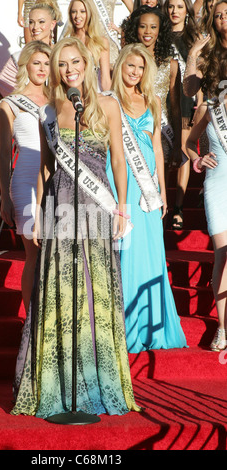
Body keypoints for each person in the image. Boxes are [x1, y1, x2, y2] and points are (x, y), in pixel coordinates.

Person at [11, 37, 141, 418]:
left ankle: (94, 379)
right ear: (56, 69)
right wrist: (37, 212)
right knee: (61, 291)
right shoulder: (49, 110)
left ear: (85, 63)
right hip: (59, 211)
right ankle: (59, 384)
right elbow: (46, 169)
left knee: (93, 290)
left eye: (74, 63)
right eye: (62, 64)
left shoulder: (107, 106)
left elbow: (120, 160)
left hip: (96, 211)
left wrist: (121, 207)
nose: (69, 70)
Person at [106, 43, 187, 353]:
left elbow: (156, 148)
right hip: (122, 182)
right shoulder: (110, 101)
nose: (135, 72)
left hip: (149, 189)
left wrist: (165, 191)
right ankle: (124, 326)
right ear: (120, 66)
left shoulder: (153, 100)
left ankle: (153, 326)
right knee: (126, 252)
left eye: (140, 68)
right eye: (130, 66)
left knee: (151, 254)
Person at [0, 41, 51, 317]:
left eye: (46, 63)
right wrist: (5, 196)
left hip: (55, 181)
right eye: (36, 63)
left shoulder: (59, 100)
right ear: (25, 66)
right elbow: (4, 155)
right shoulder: (9, 103)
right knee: (35, 253)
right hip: (26, 181)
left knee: (53, 254)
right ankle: (32, 321)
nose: (42, 68)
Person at [186, 63, 227, 351]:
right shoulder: (209, 108)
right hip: (216, 185)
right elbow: (189, 143)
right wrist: (198, 161)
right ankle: (223, 329)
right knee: (222, 255)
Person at [122, 6, 182, 174]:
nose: (148, 31)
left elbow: (175, 107)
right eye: (143, 26)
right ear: (136, 29)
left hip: (162, 134)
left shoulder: (171, 65)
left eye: (153, 27)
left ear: (160, 31)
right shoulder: (125, 62)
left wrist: (177, 144)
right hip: (130, 133)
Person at [164, 0, 201, 229]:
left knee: (183, 151)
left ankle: (177, 206)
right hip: (163, 99)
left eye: (179, 6)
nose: (174, 11)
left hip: (186, 99)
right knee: (166, 151)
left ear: (186, 9)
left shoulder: (193, 37)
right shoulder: (159, 33)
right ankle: (162, 204)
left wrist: (199, 100)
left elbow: (199, 71)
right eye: (170, 6)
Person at [0, 2, 57, 107]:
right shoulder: (19, 57)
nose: (35, 27)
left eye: (41, 22)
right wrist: (10, 113)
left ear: (53, 24)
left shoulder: (61, 55)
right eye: (31, 22)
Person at [183, 0, 227, 99]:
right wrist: (192, 54)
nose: (223, 16)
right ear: (214, 24)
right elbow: (189, 91)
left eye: (226, 12)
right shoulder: (209, 54)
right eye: (217, 15)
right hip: (217, 111)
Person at [63, 0, 112, 91]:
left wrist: (109, 98)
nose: (77, 16)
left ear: (89, 13)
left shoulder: (101, 42)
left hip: (94, 92)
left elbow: (105, 79)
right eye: (74, 12)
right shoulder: (66, 42)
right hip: (72, 94)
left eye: (82, 11)